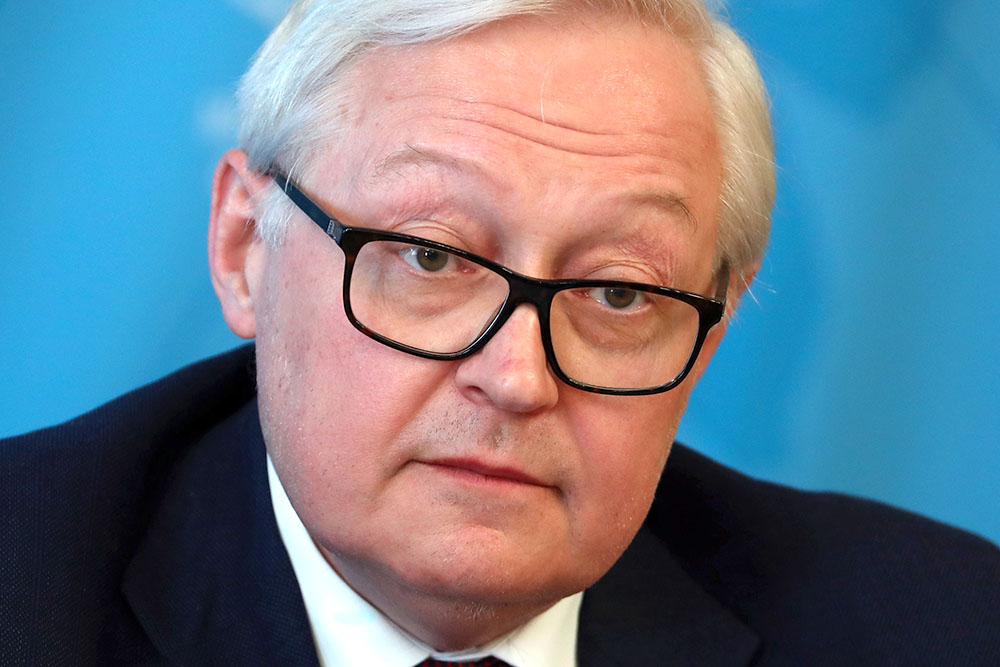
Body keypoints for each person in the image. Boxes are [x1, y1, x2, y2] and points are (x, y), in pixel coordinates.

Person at [1, 1, 998, 665]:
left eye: (618, 293)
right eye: (431, 257)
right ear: (242, 247)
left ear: (710, 333)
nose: (518, 377)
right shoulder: (29, 584)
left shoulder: (939, 628)